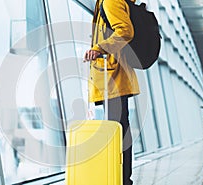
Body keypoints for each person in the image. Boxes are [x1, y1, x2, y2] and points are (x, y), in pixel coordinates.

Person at [83, 0, 139, 184]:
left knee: (119, 131)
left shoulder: (110, 1)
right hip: (113, 77)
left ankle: (122, 179)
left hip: (113, 79)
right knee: (120, 131)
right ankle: (121, 178)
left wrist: (99, 48)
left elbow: (125, 31)